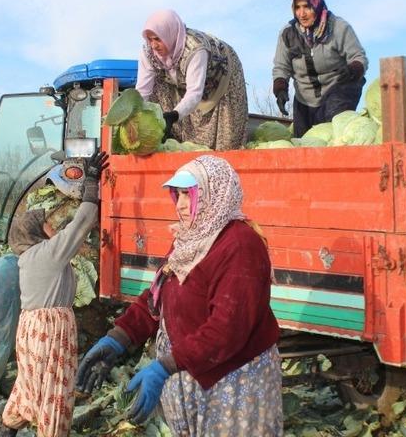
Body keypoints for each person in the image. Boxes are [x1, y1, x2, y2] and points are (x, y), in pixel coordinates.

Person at [77, 155, 282, 436]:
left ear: (215, 194)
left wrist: (164, 367)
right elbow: (158, 298)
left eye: (189, 194)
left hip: (233, 382)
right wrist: (118, 339)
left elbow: (227, 329)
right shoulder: (191, 239)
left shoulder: (239, 244)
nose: (181, 204)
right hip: (192, 371)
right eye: (178, 194)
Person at [0, 151, 109, 437]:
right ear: (36, 232)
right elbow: (81, 223)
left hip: (30, 331)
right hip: (51, 331)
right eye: (45, 224)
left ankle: (7, 428)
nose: (51, 226)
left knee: (30, 383)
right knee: (55, 391)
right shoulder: (48, 253)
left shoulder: (27, 257)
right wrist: (93, 184)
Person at [136, 9, 249, 151]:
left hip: (221, 74)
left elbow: (194, 93)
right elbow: (142, 90)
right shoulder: (148, 52)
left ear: (169, 34)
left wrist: (173, 116)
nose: (154, 45)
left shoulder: (195, 49)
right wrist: (135, 118)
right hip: (183, 77)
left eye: (158, 39)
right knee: (157, 84)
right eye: (150, 39)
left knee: (227, 140)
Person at [272, 0, 368, 137]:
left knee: (332, 138)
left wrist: (352, 69)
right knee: (304, 143)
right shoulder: (288, 33)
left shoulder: (338, 27)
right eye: (297, 7)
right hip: (305, 97)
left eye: (307, 7)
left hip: (337, 90)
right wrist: (280, 88)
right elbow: (281, 66)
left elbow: (359, 57)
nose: (301, 13)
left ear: (318, 5)